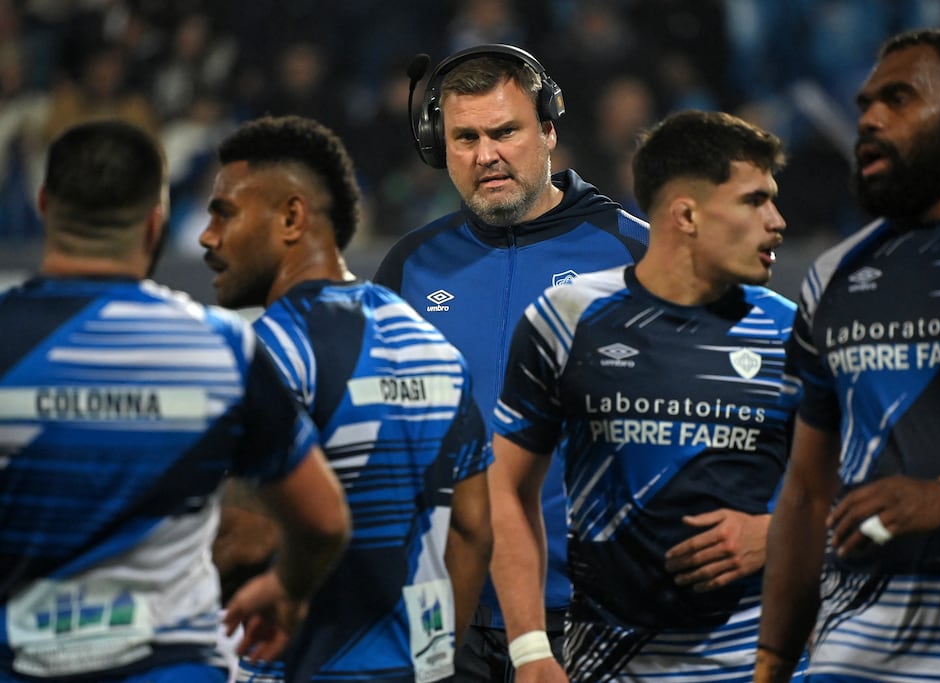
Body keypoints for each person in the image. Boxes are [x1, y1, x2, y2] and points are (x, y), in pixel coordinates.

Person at [0, 119, 350, 683]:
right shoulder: (224, 347)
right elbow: (324, 520)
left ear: (44, 204)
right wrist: (286, 589)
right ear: (155, 221)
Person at [488, 109, 798, 682]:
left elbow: (864, 493)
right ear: (687, 215)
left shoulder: (792, 334)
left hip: (758, 665)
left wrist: (779, 533)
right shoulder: (566, 320)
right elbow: (504, 485)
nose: (777, 221)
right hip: (603, 665)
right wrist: (530, 647)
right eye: (755, 201)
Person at [754, 28, 940, 683]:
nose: (870, 118)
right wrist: (769, 668)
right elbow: (807, 492)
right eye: (866, 104)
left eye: (899, 99)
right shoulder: (833, 274)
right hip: (851, 658)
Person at [373, 44, 650, 681]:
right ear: (437, 147)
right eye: (464, 137)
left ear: (549, 130)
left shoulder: (639, 255)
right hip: (445, 611)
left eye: (505, 131)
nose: (486, 155)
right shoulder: (408, 267)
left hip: (593, 611)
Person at [199, 114, 493, 683]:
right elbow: (474, 527)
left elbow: (242, 535)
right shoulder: (432, 345)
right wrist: (437, 660)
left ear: (291, 217)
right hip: (418, 666)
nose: (209, 236)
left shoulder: (270, 352)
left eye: (226, 212)